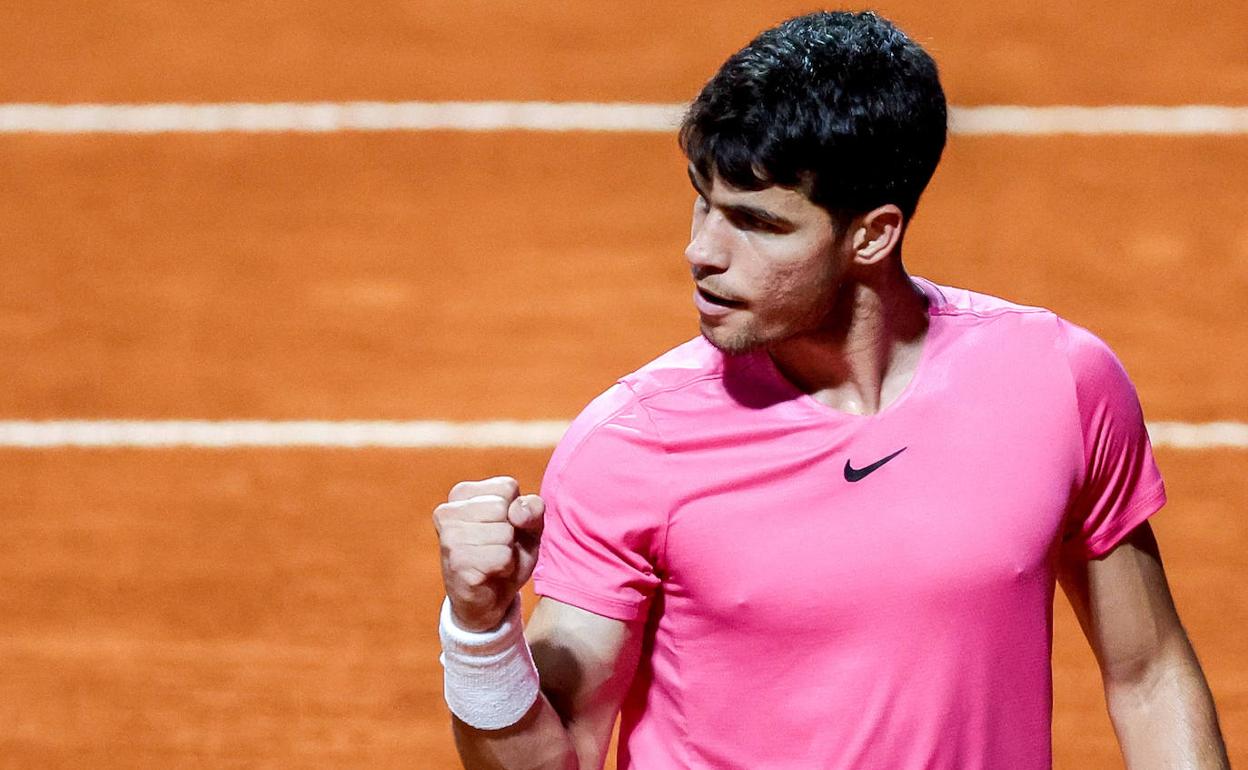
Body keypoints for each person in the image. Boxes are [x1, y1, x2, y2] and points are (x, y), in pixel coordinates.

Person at [431, 10, 1230, 769]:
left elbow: (1149, 672)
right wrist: (479, 635)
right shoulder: (634, 444)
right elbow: (556, 757)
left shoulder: (1058, 379)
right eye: (703, 201)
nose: (702, 250)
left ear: (873, 235)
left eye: (758, 223)